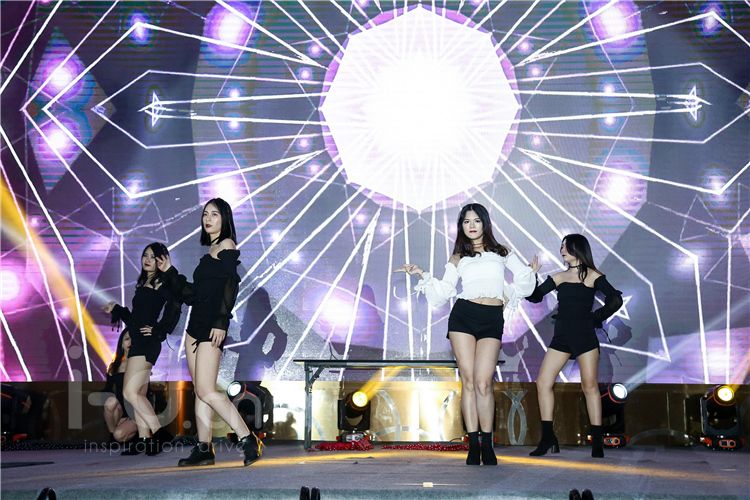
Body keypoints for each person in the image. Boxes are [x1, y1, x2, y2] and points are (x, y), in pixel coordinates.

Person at [398, 203, 538, 466]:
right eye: (466, 221)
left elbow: (523, 280)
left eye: (476, 220)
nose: (471, 226)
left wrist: (529, 273)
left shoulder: (502, 252)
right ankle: (473, 445)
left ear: (485, 223)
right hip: (463, 317)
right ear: (461, 226)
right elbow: (443, 292)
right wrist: (422, 275)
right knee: (470, 381)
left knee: (484, 383)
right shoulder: (458, 257)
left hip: (491, 318)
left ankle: (488, 443)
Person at [158, 198, 262, 467]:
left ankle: (247, 438)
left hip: (211, 328)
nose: (208, 218)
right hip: (195, 327)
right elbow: (192, 295)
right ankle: (204, 448)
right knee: (201, 391)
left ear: (224, 219)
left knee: (206, 389)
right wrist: (169, 272)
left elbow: (230, 285)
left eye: (214, 214)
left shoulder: (227, 245)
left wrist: (221, 321)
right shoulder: (209, 253)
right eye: (205, 214)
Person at [525, 234, 623, 458]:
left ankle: (597, 442)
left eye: (565, 246)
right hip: (562, 336)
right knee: (543, 383)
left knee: (589, 386)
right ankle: (548, 438)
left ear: (577, 248)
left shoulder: (593, 275)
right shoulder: (559, 277)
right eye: (561, 246)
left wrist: (595, 318)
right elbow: (535, 296)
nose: (561, 250)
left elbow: (615, 299)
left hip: (584, 337)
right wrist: (531, 275)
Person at [104, 242, 181, 455]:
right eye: (145, 255)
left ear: (161, 260)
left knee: (130, 392)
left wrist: (159, 330)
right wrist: (118, 310)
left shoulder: (162, 282)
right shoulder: (143, 283)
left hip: (147, 343)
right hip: (138, 341)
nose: (147, 259)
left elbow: (175, 309)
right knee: (138, 393)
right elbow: (136, 320)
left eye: (153, 256)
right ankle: (145, 441)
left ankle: (159, 433)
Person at [102, 331, 138, 450]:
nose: (130, 342)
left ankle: (134, 434)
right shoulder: (115, 366)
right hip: (121, 411)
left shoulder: (140, 363)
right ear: (121, 344)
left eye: (133, 339)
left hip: (136, 412)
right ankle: (112, 436)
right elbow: (107, 390)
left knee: (120, 435)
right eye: (127, 339)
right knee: (110, 402)